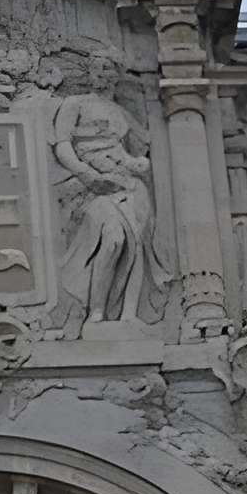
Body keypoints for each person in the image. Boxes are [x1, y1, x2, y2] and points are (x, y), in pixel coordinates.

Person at [52, 94, 165, 326]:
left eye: (112, 67)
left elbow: (131, 149)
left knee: (138, 244)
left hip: (130, 185)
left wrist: (137, 163)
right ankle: (96, 311)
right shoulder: (75, 103)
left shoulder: (117, 109)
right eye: (102, 65)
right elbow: (63, 148)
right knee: (114, 239)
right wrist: (88, 175)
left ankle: (129, 314)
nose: (107, 72)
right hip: (91, 187)